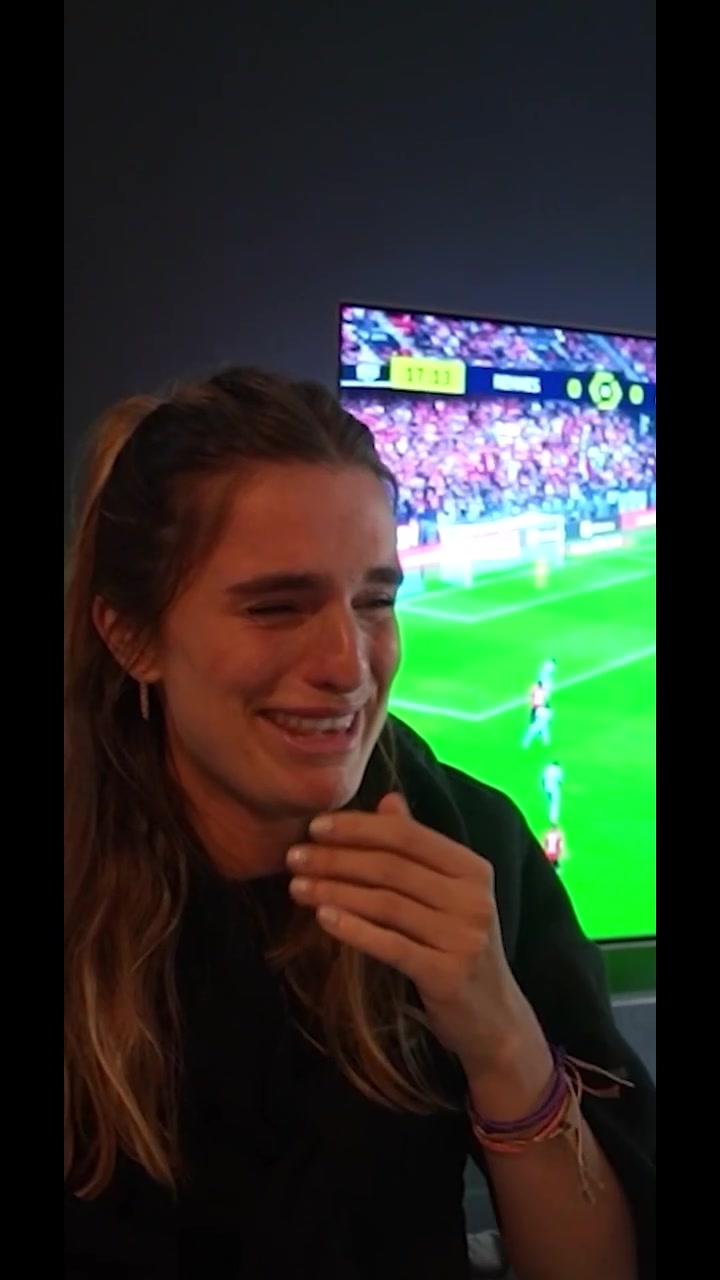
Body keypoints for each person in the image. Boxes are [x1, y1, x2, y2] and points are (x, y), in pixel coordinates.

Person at [64, 368, 655, 1280]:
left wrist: (501, 1036)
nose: (348, 664)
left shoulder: (472, 844)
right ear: (132, 636)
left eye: (376, 599)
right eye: (276, 607)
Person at [541, 760, 564, 826]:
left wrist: (544, 787)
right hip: (554, 788)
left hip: (547, 787)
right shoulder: (558, 769)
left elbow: (543, 779)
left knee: (550, 802)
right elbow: (560, 780)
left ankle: (549, 816)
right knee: (555, 803)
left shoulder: (547, 768)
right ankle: (553, 819)